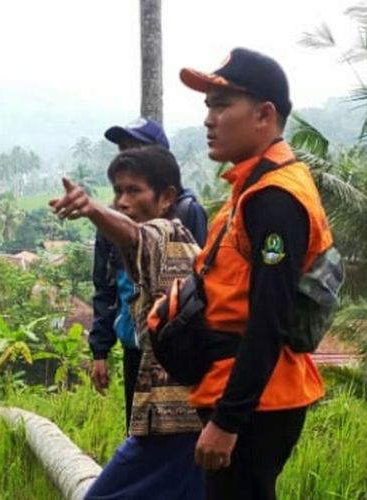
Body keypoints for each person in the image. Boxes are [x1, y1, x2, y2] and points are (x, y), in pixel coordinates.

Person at [179, 47, 331, 499]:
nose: (209, 119)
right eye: (207, 106)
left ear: (264, 115)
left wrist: (229, 421)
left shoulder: (275, 197)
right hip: (248, 391)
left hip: (258, 401)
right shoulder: (255, 185)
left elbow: (270, 318)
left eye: (222, 105)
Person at [51, 146, 204, 499]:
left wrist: (91, 209)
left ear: (166, 197)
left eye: (134, 191)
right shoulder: (171, 242)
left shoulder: (167, 235)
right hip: (190, 416)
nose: (122, 201)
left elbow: (137, 236)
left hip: (173, 421)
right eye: (118, 191)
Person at [90, 117, 208, 433]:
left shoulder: (185, 212)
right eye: (123, 150)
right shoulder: (111, 220)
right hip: (135, 342)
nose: (128, 157)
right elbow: (105, 285)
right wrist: (100, 349)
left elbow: (200, 282)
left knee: (176, 433)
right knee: (139, 427)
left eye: (137, 149)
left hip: (174, 347)